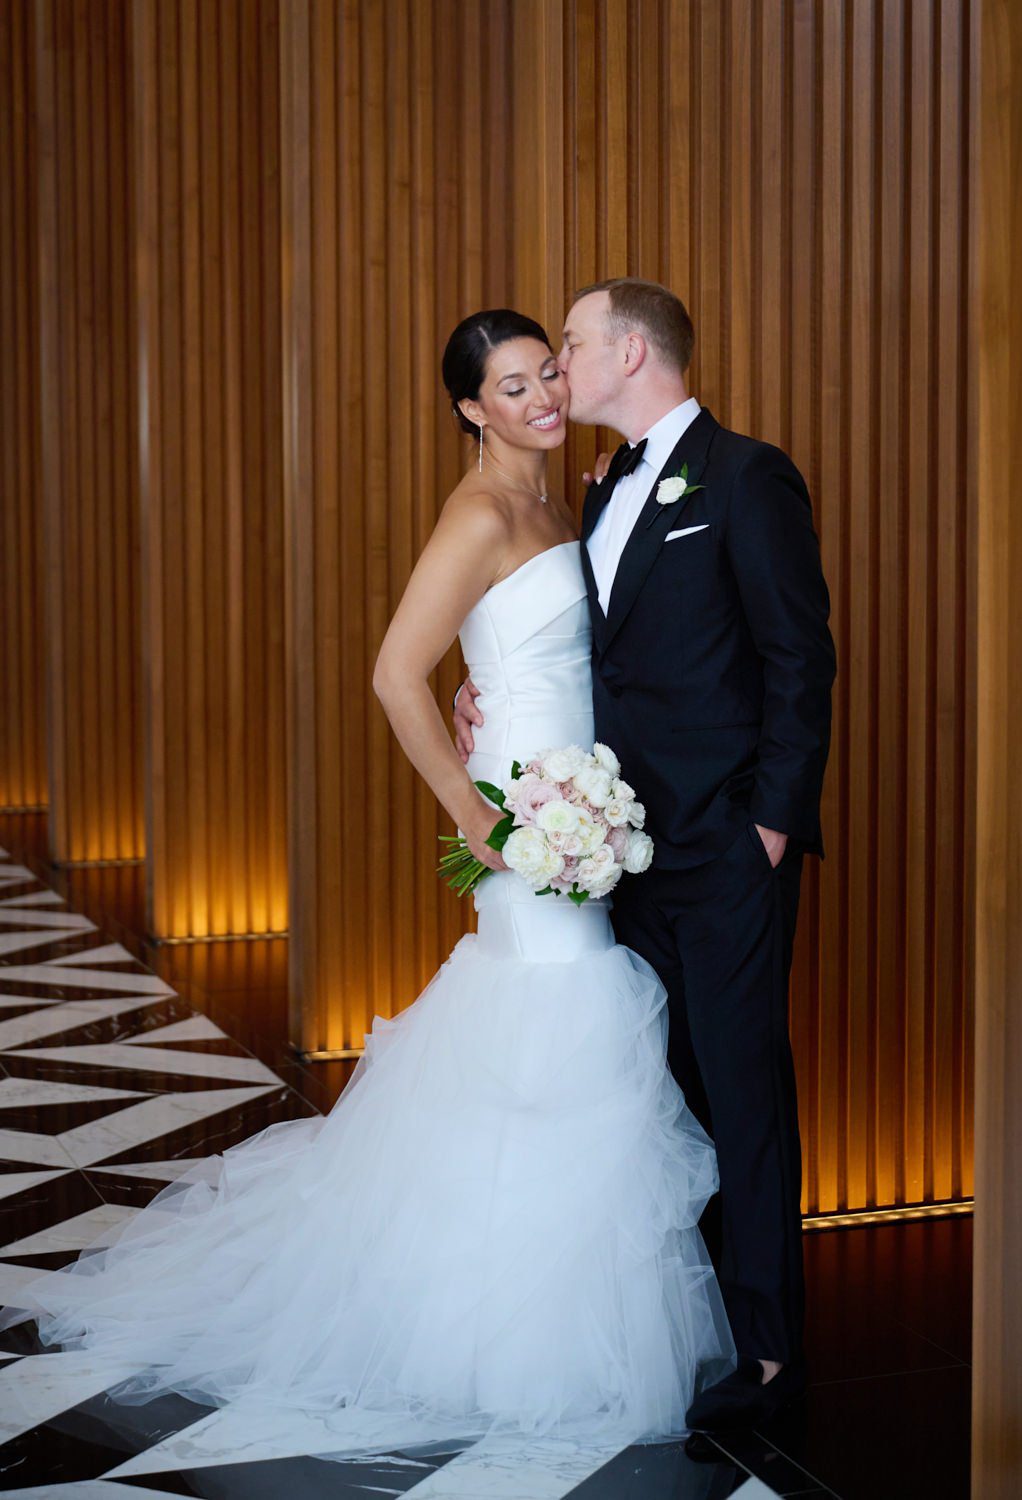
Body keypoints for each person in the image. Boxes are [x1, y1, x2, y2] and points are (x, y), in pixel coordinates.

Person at [0, 308, 734, 1458]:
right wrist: (475, 813)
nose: (540, 397)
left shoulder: (563, 498)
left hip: (583, 790)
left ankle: (520, 1295)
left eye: (548, 374)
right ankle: (520, 1331)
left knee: (551, 1032)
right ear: (468, 409)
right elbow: (396, 671)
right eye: (510, 386)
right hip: (530, 814)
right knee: (558, 1019)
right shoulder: (483, 511)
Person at [455, 279, 836, 1437]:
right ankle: (704, 1323)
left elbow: (799, 658)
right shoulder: (606, 483)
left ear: (630, 350)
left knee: (744, 1091)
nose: (561, 368)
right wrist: (488, 689)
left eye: (570, 345)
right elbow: (593, 653)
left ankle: (769, 1352)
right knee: (664, 1101)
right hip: (622, 855)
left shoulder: (745, 475)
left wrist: (768, 827)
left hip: (725, 849)